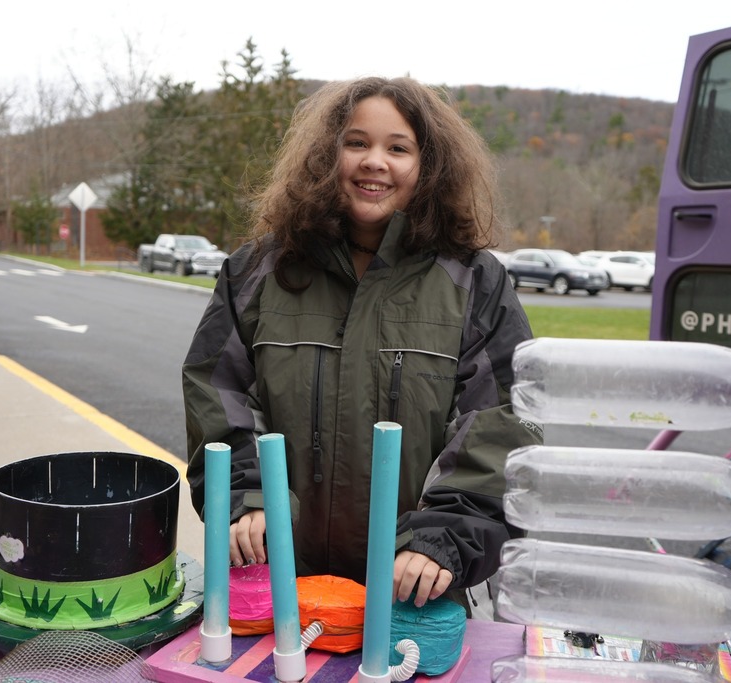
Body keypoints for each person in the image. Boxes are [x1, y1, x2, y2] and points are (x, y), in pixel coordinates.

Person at [182, 76, 542, 613]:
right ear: (327, 157)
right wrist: (242, 498)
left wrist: (443, 537)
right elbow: (218, 391)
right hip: (274, 580)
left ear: (430, 166)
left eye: (398, 148)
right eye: (357, 143)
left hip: (412, 588)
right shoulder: (257, 271)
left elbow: (499, 419)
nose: (375, 161)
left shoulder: (474, 281)